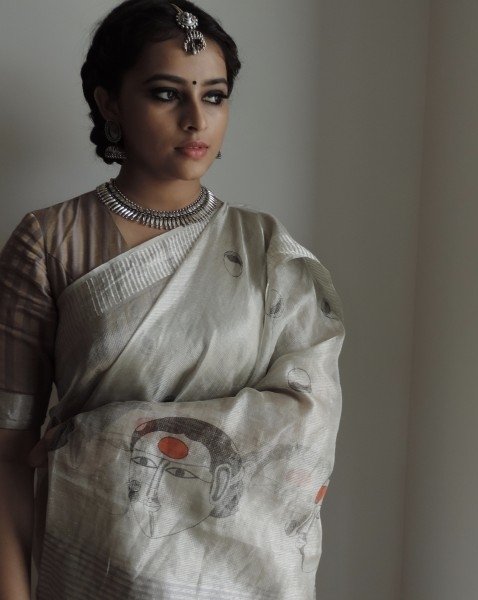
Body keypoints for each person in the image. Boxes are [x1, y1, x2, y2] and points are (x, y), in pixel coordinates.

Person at [0, 1, 344, 598]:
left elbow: (307, 421)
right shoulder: (50, 242)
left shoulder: (265, 251)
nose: (196, 119)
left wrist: (96, 440)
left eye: (215, 96)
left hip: (240, 580)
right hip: (94, 570)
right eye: (166, 94)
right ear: (110, 103)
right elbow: (7, 451)